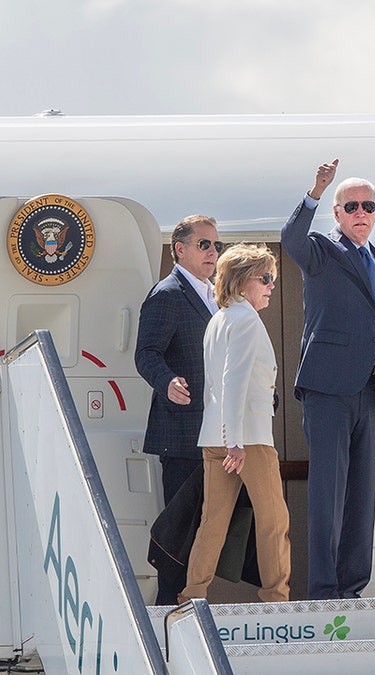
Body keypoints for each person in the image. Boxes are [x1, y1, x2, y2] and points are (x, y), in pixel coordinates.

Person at [281, 159, 375, 600]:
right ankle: (324, 590)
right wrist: (315, 191)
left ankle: (352, 588)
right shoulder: (321, 249)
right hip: (328, 389)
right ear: (337, 213)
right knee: (327, 494)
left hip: (373, 393)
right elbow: (290, 240)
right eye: (351, 205)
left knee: (362, 495)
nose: (360, 212)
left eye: (368, 206)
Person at [179, 244, 291, 603]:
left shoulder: (219, 318)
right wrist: (236, 442)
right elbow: (234, 380)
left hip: (215, 436)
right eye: (266, 278)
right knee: (274, 521)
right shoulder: (245, 321)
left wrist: (226, 439)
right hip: (247, 439)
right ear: (244, 283)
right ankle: (277, 600)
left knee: (212, 523)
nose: (272, 285)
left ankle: (191, 597)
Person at [135, 214, 223, 605]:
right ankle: (168, 613)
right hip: (182, 436)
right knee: (179, 535)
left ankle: (189, 606)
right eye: (204, 244)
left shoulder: (215, 294)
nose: (213, 252)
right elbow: (146, 354)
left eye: (216, 245)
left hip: (213, 434)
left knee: (205, 532)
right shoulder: (168, 294)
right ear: (180, 250)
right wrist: (167, 380)